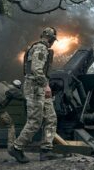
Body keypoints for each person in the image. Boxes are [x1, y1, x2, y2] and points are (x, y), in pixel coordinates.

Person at [8, 27, 63, 163]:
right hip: (35, 88)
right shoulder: (40, 48)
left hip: (41, 88)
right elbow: (36, 69)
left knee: (51, 118)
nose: (53, 43)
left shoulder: (41, 48)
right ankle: (17, 147)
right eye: (53, 40)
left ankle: (46, 150)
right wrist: (46, 86)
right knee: (35, 121)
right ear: (50, 38)